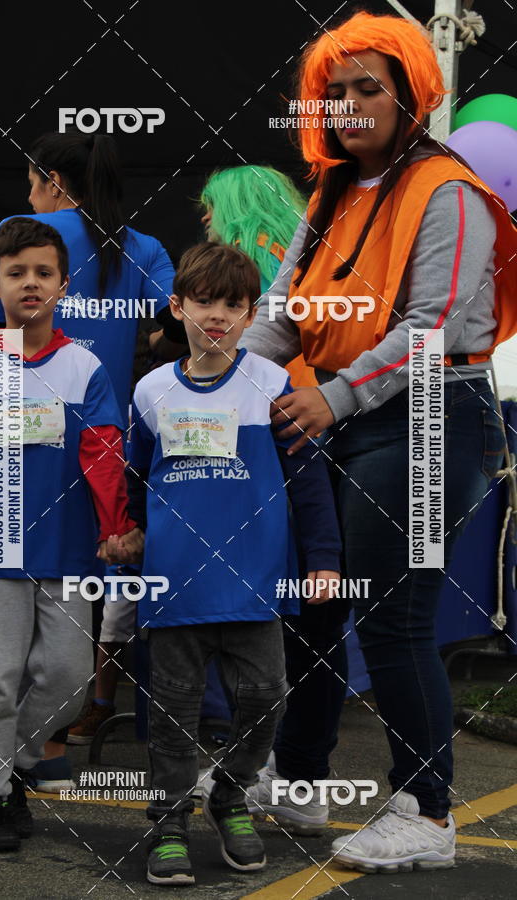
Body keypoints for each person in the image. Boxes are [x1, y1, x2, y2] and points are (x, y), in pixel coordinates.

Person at [240, 10, 517, 873]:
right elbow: (282, 317)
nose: (352, 103)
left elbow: (432, 328)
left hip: (435, 413)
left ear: (410, 95)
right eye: (337, 91)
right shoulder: (328, 192)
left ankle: (427, 813)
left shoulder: (451, 190)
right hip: (342, 414)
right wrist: (221, 383)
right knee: (318, 608)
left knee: (393, 621)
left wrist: (336, 395)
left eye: (371, 87)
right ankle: (297, 778)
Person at [111, 241, 341, 886]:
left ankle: (231, 796)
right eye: (204, 301)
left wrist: (323, 560)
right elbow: (134, 484)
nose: (217, 315)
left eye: (234, 305)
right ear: (177, 305)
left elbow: (310, 486)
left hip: (256, 586)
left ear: (250, 314)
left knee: (267, 697)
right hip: (175, 589)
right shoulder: (151, 390)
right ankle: (169, 821)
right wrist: (129, 533)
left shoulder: (274, 384)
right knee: (173, 713)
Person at [0, 130, 179, 785]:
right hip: (98, 447)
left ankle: (23, 754)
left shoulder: (20, 229)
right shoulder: (142, 248)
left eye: (33, 183)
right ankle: (8, 775)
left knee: (39, 651)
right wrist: (127, 341)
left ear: (51, 182)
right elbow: (175, 324)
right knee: (32, 645)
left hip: (42, 448)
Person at [0, 217, 140, 851]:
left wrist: (116, 529)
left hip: (66, 548)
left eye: (43, 273)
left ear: (63, 283)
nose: (31, 283)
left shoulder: (85, 366)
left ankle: (10, 763)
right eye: (16, 273)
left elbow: (105, 451)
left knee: (68, 676)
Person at [200, 165, 315, 388]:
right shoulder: (287, 250)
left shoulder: (246, 253)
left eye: (213, 206)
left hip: (266, 384)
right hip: (305, 380)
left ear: (238, 205)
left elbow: (251, 328)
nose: (206, 217)